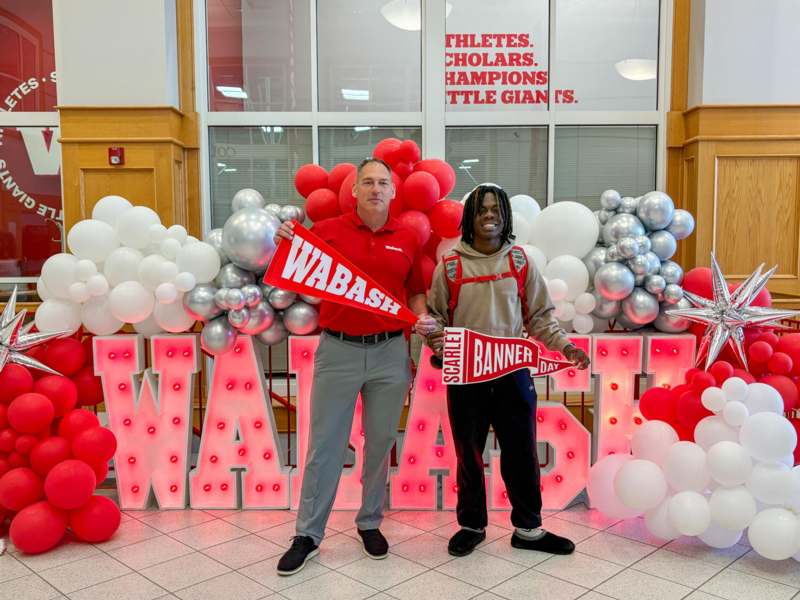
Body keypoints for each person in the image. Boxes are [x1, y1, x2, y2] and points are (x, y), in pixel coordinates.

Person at [273, 158, 430, 575]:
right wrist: (285, 238)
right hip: (338, 352)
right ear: (355, 190)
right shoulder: (327, 232)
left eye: (383, 182)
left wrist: (423, 315)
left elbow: (414, 293)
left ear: (393, 191)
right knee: (324, 446)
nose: (376, 188)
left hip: (390, 353)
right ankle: (307, 534)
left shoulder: (409, 237)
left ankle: (370, 522)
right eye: (368, 182)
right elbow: (293, 260)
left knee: (379, 444)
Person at [419, 183, 590, 558]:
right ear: (470, 217)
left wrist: (566, 346)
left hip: (512, 374)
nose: (489, 215)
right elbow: (436, 319)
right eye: (482, 209)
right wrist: (436, 342)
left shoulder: (520, 262)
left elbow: (542, 318)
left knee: (521, 451)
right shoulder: (450, 265)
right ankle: (471, 525)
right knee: (468, 454)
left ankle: (528, 529)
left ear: (506, 215)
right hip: (466, 378)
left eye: (496, 209)